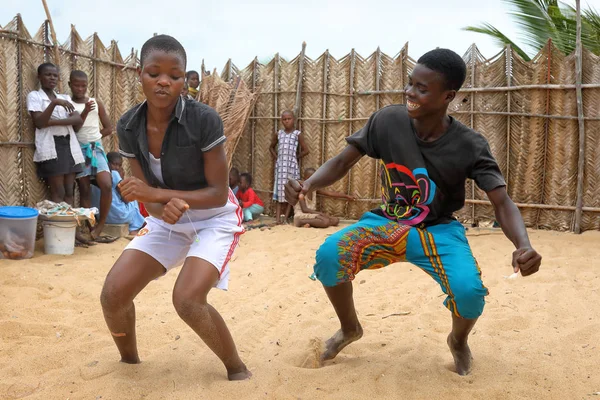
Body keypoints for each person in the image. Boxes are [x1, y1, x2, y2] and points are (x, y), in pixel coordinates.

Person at [285, 48, 542, 376]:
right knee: (330, 256)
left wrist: (522, 244)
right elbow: (342, 161)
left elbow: (502, 202)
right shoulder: (387, 120)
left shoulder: (470, 145)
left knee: (469, 293)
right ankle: (350, 329)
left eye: (422, 88)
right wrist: (308, 184)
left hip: (437, 230)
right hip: (386, 222)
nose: (410, 92)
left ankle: (458, 341)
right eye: (410, 84)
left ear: (448, 96)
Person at [100, 35, 250, 381]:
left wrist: (160, 195)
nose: (164, 81)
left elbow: (216, 193)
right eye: (154, 73)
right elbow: (148, 202)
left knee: (187, 300)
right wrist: (160, 205)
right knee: (113, 293)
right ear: (140, 74)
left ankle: (237, 369)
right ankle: (130, 365)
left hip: (214, 218)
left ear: (184, 79)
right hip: (168, 219)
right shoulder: (128, 125)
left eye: (174, 75)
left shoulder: (204, 120)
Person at [27, 63, 84, 205]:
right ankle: (57, 225)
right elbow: (39, 122)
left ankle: (69, 226)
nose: (52, 78)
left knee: (70, 190)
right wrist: (55, 104)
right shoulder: (35, 96)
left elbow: (77, 120)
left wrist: (51, 122)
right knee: (58, 191)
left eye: (55, 75)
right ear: (39, 77)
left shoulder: (65, 97)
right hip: (51, 146)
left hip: (69, 145)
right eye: (48, 74)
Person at [69, 70, 116, 242]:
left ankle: (101, 224)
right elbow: (73, 129)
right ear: (70, 85)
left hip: (96, 148)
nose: (80, 89)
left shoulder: (96, 102)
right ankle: (90, 228)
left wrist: (94, 138)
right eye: (76, 85)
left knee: (106, 184)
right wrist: (85, 112)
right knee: (85, 190)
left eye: (83, 85)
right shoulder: (69, 104)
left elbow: (109, 127)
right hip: (78, 150)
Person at [90, 152, 146, 236]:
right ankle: (134, 227)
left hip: (101, 216)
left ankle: (136, 226)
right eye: (114, 164)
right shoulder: (114, 173)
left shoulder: (93, 175)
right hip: (119, 216)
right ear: (107, 163)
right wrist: (121, 178)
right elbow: (126, 198)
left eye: (119, 165)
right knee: (132, 195)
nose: (117, 168)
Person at [270, 110, 309, 224]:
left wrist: (295, 157)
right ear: (281, 121)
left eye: (289, 119)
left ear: (294, 120)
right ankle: (277, 219)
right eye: (284, 119)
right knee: (279, 191)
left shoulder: (297, 134)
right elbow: (271, 147)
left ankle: (286, 218)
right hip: (281, 167)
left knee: (290, 192)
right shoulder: (279, 134)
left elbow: (306, 150)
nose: (286, 121)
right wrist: (277, 157)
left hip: (292, 167)